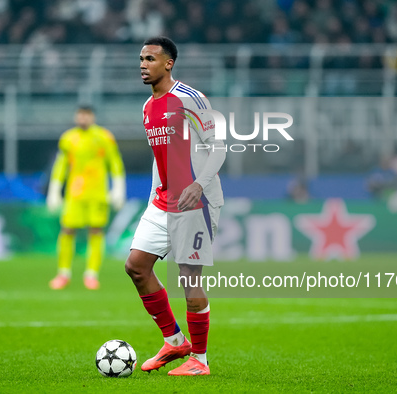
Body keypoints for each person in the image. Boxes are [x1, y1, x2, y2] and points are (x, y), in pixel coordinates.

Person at [125, 37, 225, 376]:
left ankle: (200, 360)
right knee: (136, 266)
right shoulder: (146, 107)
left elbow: (219, 148)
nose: (142, 64)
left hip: (197, 202)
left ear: (168, 63)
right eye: (141, 58)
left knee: (188, 279)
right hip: (162, 201)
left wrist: (199, 186)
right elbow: (161, 159)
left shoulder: (190, 98)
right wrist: (157, 194)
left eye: (150, 58)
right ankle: (174, 340)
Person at [46, 106, 126, 290]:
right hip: (74, 193)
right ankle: (63, 273)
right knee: (67, 230)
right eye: (80, 115)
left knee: (96, 231)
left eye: (86, 115)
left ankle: (91, 274)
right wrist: (54, 189)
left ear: (92, 117)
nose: (83, 118)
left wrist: (119, 188)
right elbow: (61, 165)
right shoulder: (68, 138)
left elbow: (115, 162)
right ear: (76, 116)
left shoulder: (104, 137)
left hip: (97, 193)